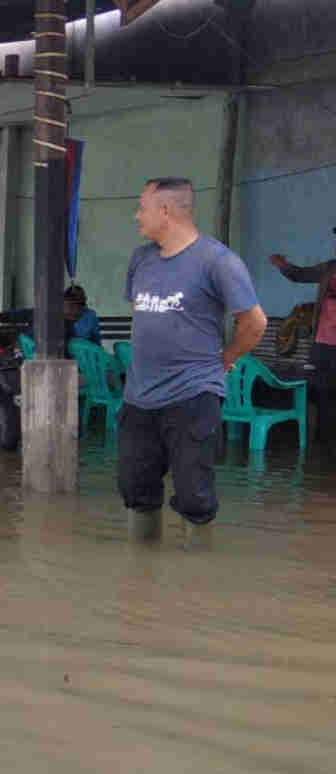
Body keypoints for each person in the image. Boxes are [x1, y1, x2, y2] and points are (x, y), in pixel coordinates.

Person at [120, 177, 266, 544]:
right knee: (135, 489)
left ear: (165, 211)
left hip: (193, 394)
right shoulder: (141, 259)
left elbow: (254, 322)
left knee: (193, 495)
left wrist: (225, 359)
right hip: (138, 396)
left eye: (142, 207)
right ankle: (143, 580)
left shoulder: (218, 262)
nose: (137, 216)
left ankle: (193, 581)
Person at [269, 236, 336, 443]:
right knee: (319, 390)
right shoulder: (329, 268)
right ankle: (323, 438)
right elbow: (300, 275)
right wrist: (284, 266)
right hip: (323, 340)